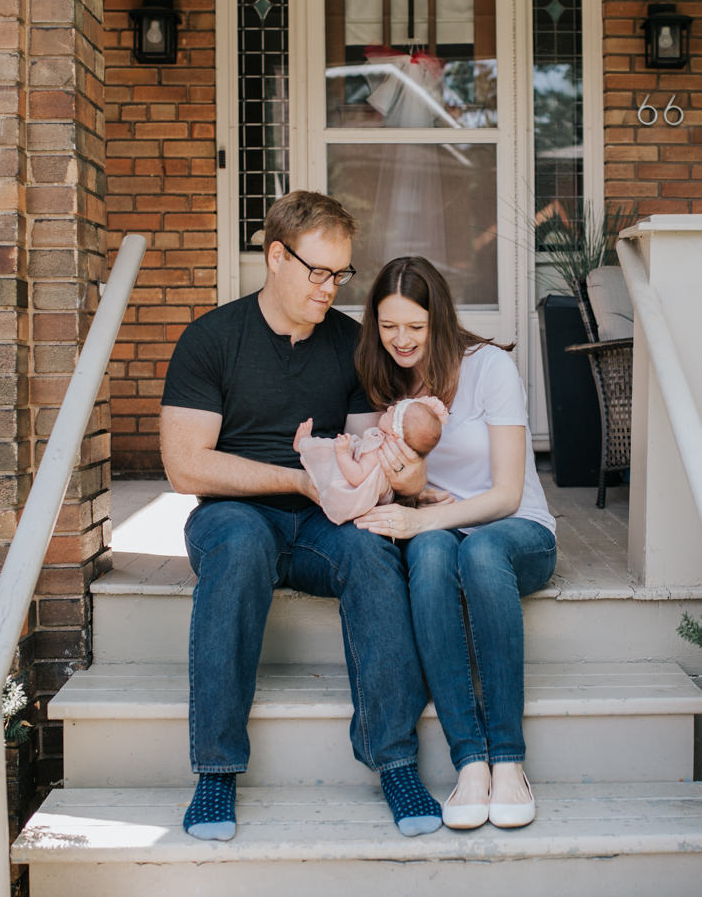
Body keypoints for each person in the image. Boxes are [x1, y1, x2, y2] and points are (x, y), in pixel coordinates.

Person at [159, 191, 442, 841]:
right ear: (276, 256)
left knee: (373, 550)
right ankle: (216, 773)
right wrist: (296, 480)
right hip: (235, 516)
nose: (331, 288)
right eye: (319, 272)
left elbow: (375, 452)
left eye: (342, 274)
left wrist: (402, 479)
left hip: (326, 523)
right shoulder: (212, 339)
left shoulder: (351, 343)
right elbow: (185, 466)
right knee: (236, 546)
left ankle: (394, 761)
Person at [352, 256, 557, 830]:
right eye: (389, 327)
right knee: (433, 552)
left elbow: (508, 494)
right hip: (441, 528)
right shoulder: (384, 379)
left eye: (414, 327)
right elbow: (375, 472)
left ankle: (509, 760)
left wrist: (420, 517)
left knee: (480, 550)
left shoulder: (489, 367)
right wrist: (418, 499)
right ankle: (470, 762)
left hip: (516, 531)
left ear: (438, 319)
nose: (401, 340)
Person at [294, 396, 449, 526]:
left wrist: (342, 453)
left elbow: (357, 476)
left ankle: (304, 444)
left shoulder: (376, 448)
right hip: (370, 500)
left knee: (330, 450)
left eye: (392, 413)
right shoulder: (395, 454)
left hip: (351, 488)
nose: (388, 409)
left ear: (394, 433)